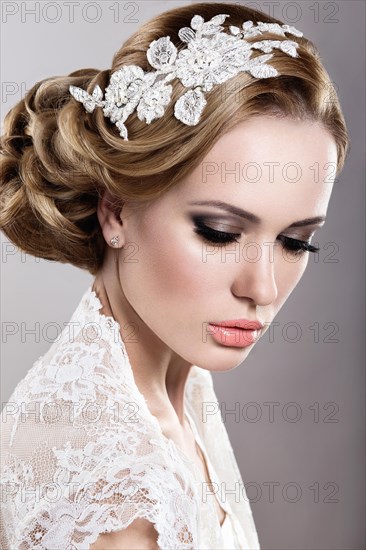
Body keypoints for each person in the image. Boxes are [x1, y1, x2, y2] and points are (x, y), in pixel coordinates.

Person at [0, 2, 349, 549]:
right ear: (115, 211)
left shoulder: (171, 388)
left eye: (296, 241)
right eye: (218, 232)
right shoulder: (117, 498)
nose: (262, 288)